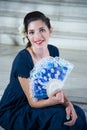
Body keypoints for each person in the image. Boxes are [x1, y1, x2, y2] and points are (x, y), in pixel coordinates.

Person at [0, 11, 87, 130]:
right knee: (59, 116)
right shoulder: (23, 59)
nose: (37, 37)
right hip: (17, 108)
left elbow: (55, 86)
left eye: (42, 30)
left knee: (78, 113)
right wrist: (54, 102)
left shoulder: (54, 51)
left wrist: (68, 103)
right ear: (27, 34)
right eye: (31, 32)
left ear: (50, 30)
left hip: (43, 100)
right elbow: (32, 102)